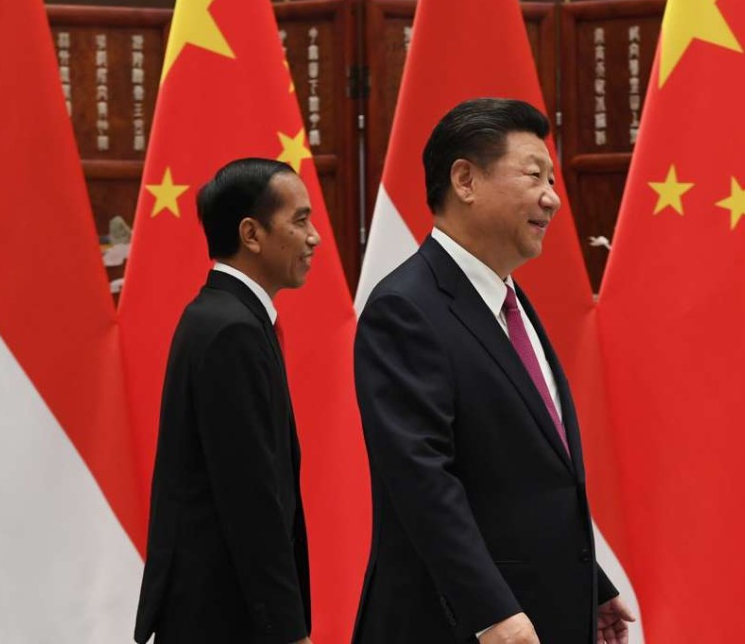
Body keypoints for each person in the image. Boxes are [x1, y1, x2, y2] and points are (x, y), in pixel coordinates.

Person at [352, 98, 636, 644]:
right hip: (461, 623)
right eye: (534, 175)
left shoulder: (509, 299)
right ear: (465, 180)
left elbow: (523, 477)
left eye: (553, 179)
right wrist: (489, 612)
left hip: (539, 613)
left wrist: (589, 583)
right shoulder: (406, 308)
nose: (552, 198)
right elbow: (423, 481)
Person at [134, 158, 319, 644]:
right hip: (223, 615)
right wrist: (288, 630)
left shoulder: (225, 315)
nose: (314, 237)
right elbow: (250, 496)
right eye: (299, 221)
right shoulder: (231, 329)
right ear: (251, 234)